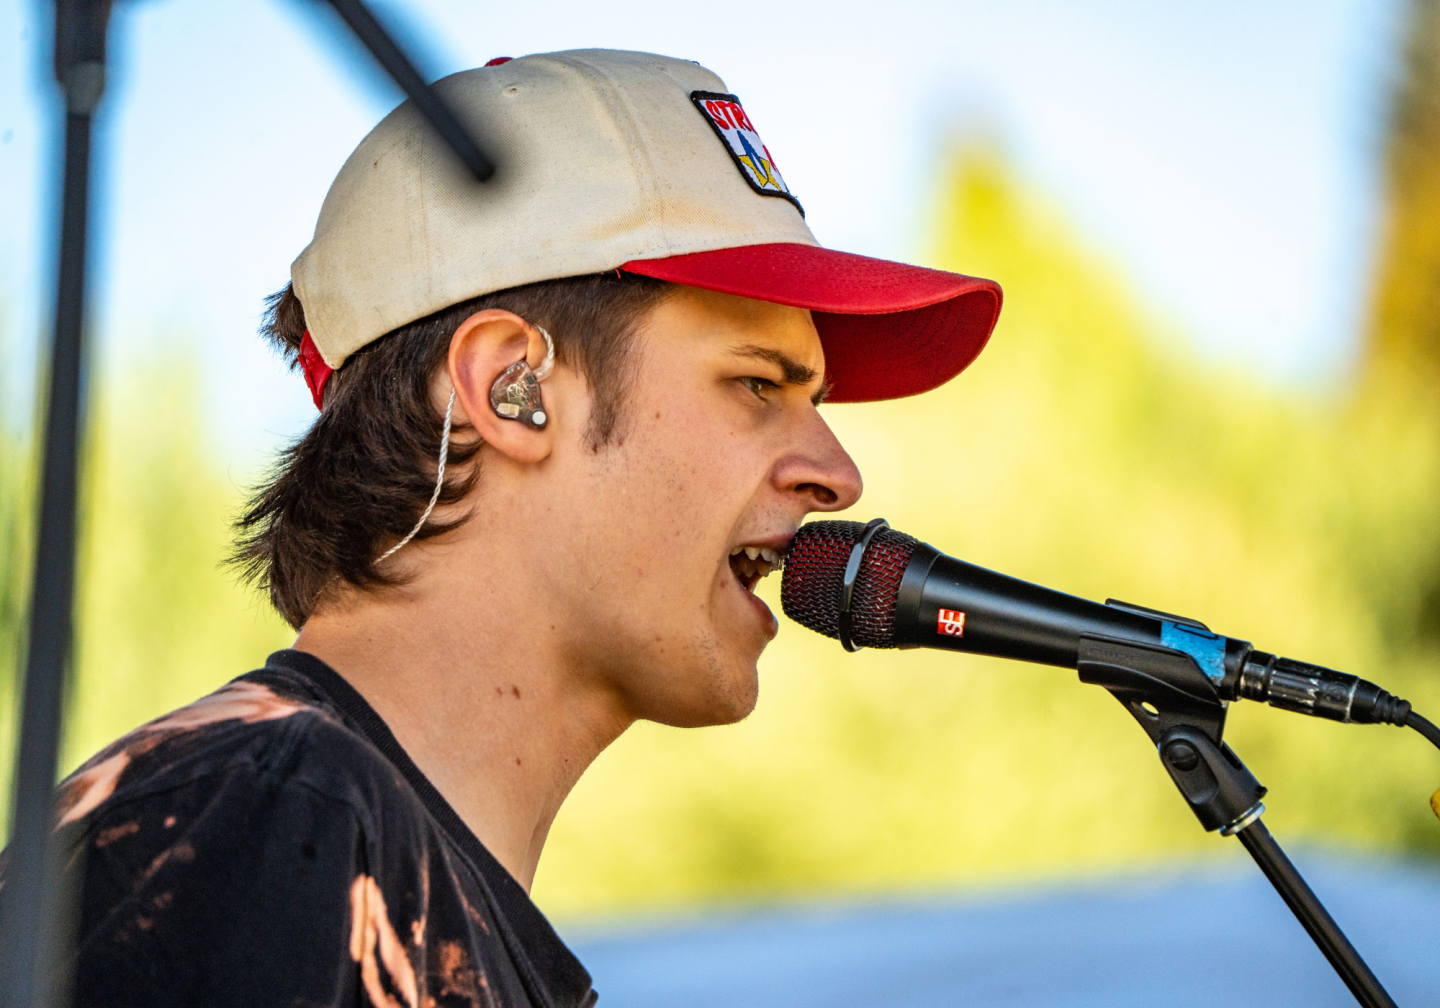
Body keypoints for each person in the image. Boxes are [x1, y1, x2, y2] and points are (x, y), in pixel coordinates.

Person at [26, 49, 1001, 1006]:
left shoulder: (352, 846)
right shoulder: (262, 810)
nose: (838, 474)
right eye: (757, 384)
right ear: (511, 388)